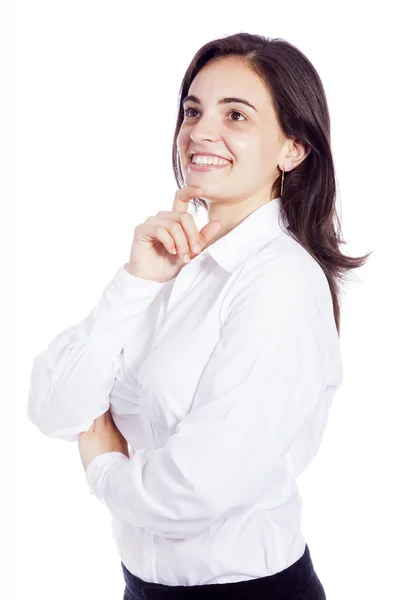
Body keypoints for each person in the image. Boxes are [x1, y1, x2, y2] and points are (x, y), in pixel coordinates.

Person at [27, 33, 372, 599]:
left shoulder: (279, 283)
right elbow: (53, 406)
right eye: (193, 110)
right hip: (141, 588)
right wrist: (135, 281)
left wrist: (103, 465)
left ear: (293, 149)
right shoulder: (171, 259)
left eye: (236, 114)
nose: (200, 132)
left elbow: (194, 491)